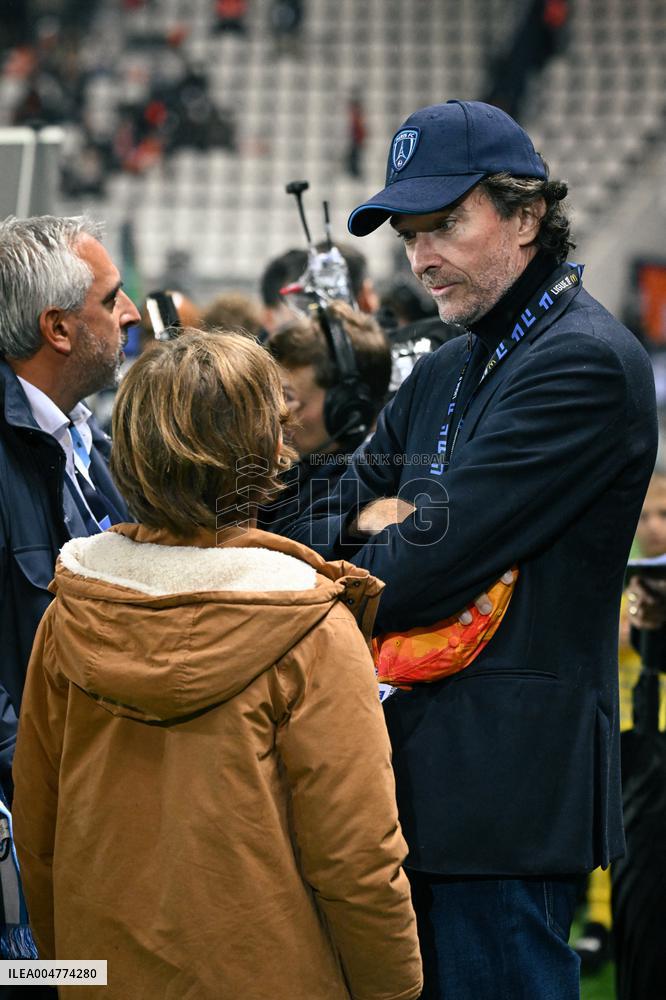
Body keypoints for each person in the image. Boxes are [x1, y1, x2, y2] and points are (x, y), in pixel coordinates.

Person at [281, 99, 658, 999]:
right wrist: (355, 528)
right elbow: (335, 500)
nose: (420, 257)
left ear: (528, 214)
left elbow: (418, 569)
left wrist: (385, 530)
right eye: (410, 233)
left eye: (446, 223)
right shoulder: (453, 363)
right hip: (411, 784)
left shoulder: (585, 363)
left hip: (505, 806)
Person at [12, 330, 423, 1000]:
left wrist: (76, 970)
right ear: (265, 450)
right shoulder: (314, 625)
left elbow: (39, 830)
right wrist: (395, 991)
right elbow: (357, 860)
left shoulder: (71, 610)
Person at [0, 214, 139, 804]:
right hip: (55, 805)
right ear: (58, 328)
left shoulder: (85, 435)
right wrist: (41, 777)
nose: (131, 313)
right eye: (110, 300)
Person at [259, 300, 391, 534]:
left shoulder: (350, 499)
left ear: (347, 411)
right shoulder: (292, 471)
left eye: (287, 397)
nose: (276, 413)